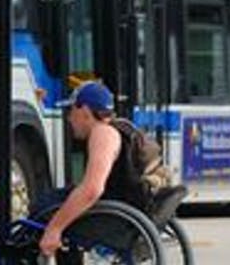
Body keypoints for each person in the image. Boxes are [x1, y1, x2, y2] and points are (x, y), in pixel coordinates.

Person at [37, 81, 154, 259]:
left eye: (71, 111)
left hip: (115, 214)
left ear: (84, 111)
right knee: (60, 200)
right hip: (128, 206)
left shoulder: (102, 133)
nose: (69, 118)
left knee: (42, 212)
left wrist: (55, 229)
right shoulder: (123, 126)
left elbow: (92, 189)